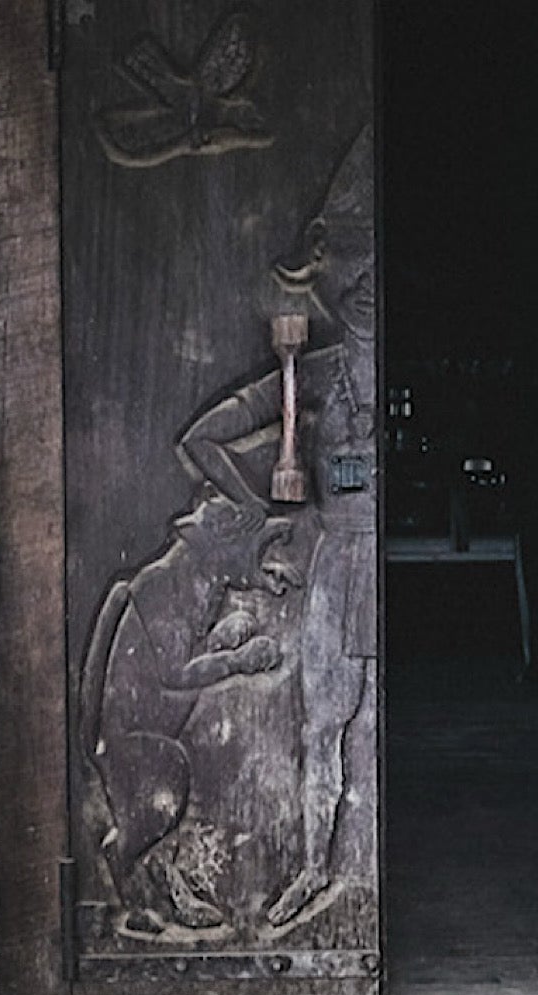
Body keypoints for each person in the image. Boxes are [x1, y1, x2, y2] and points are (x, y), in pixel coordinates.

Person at [175, 129, 376, 931]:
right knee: (321, 721)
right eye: (350, 263)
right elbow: (202, 437)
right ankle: (316, 866)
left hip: (369, 561)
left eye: (374, 262)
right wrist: (261, 504)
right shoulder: (317, 373)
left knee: (352, 721)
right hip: (335, 561)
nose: (363, 283)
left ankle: (338, 866)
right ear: (324, 270)